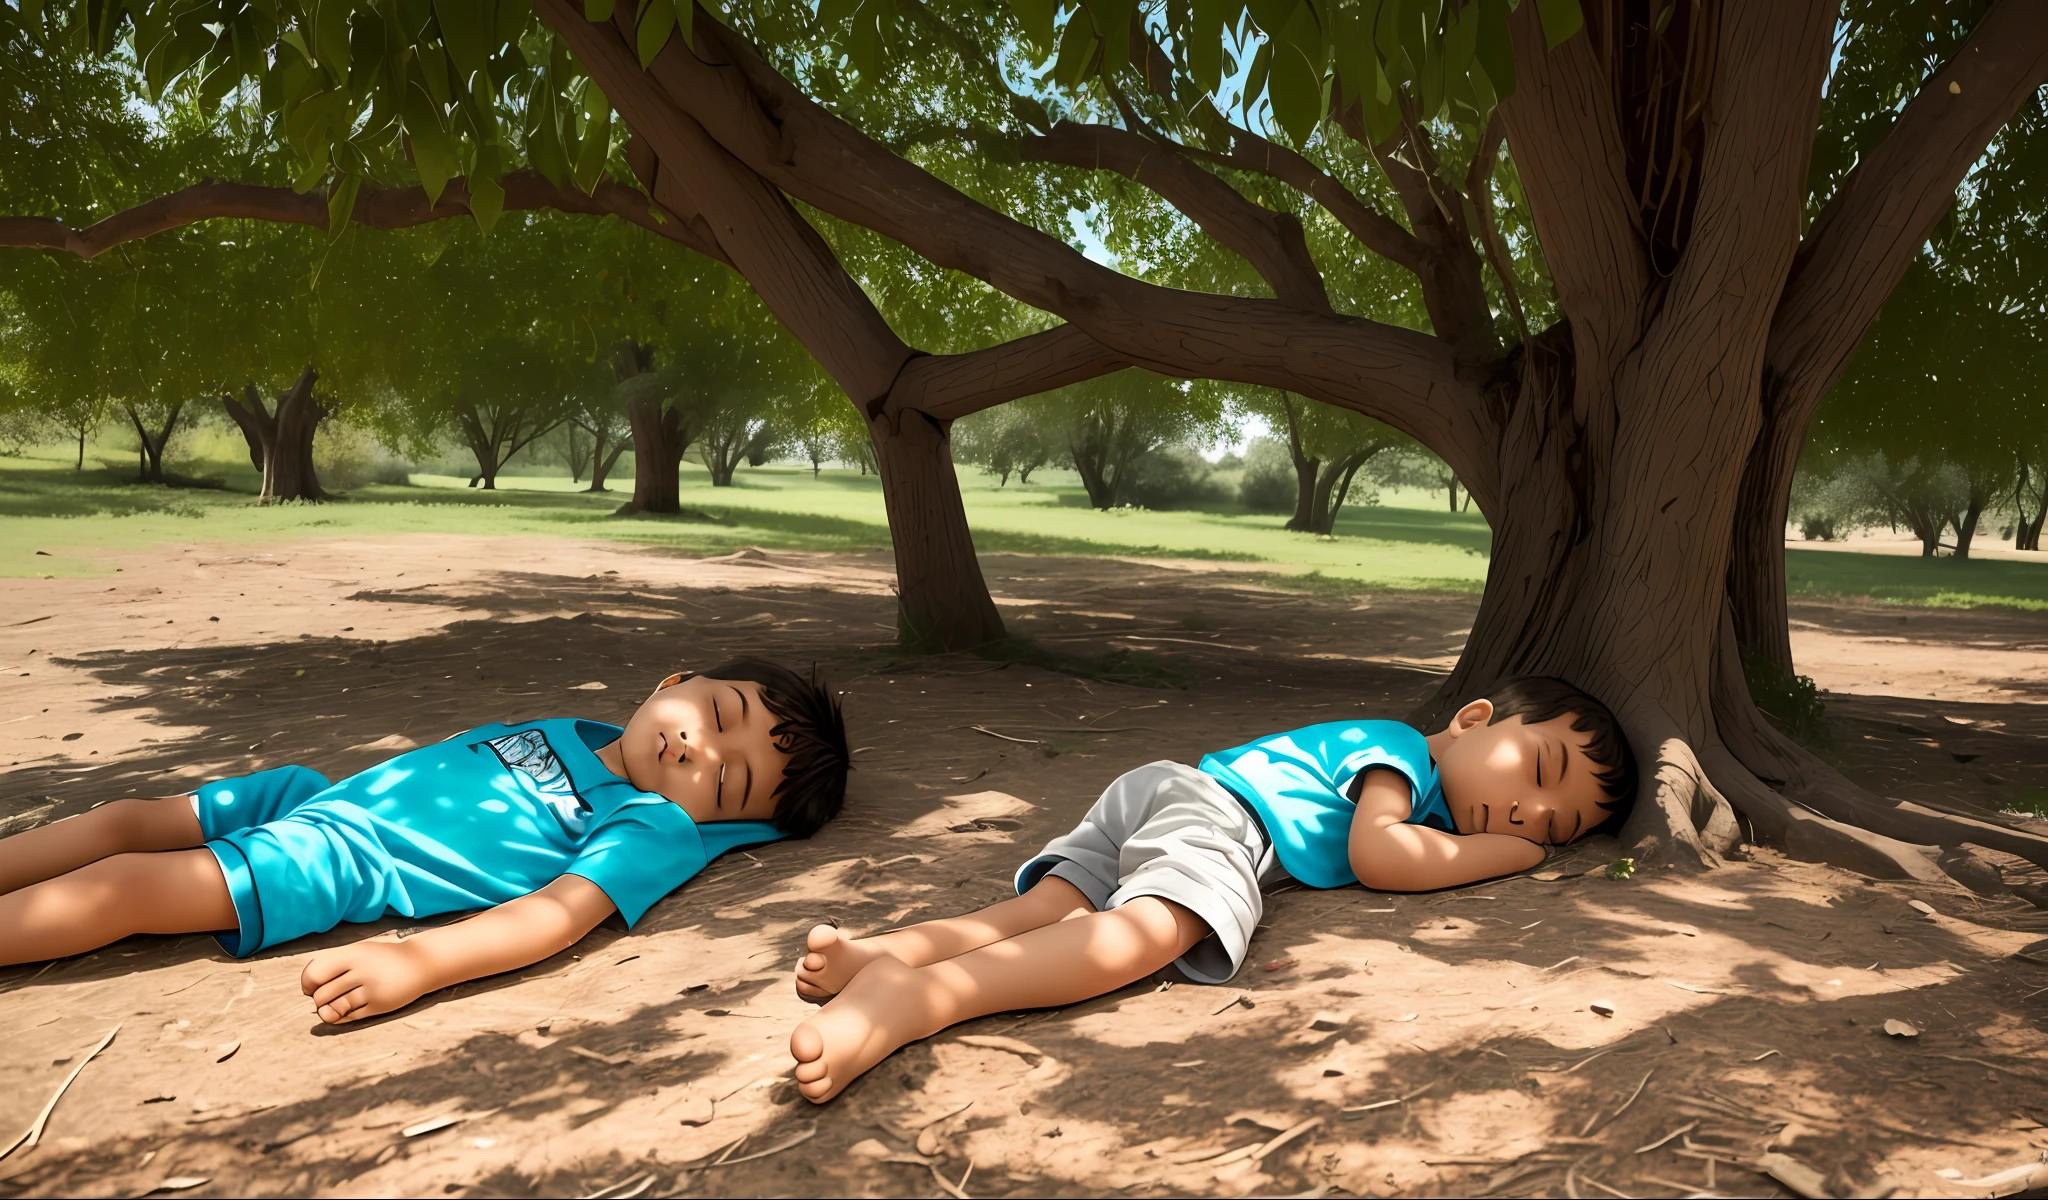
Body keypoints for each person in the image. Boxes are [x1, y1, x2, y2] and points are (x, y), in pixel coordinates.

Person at [785, 675, 1635, 1103]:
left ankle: (882, 953)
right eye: (1540, 769)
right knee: (1148, 933)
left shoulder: (1429, 791)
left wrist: (1485, 833)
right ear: (1475, 719)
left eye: (1551, 826)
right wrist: (1512, 856)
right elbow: (1382, 858)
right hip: (1219, 816)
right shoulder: (1401, 754)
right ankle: (922, 998)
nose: (1527, 809)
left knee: (1045, 910)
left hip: (1161, 792)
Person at [0, 658, 848, 1025]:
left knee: (127, 883)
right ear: (675, 682)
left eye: (726, 781)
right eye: (718, 716)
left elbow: (557, 915)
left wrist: (420, 962)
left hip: (339, 859)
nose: (702, 749)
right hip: (318, 796)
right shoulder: (585, 727)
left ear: (718, 819)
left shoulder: (652, 822)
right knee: (124, 816)